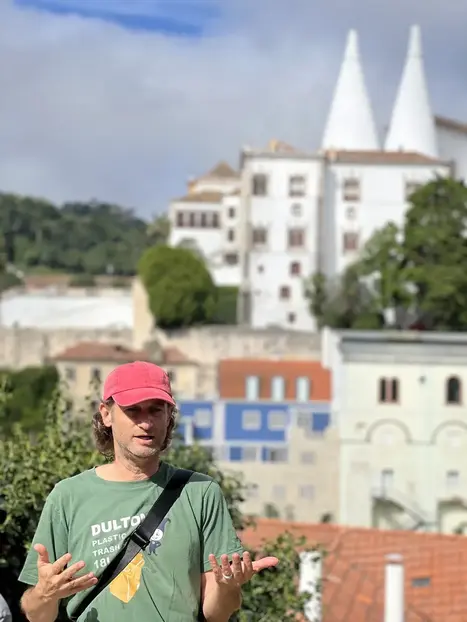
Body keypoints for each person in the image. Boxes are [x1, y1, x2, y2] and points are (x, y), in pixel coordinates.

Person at [18, 361, 278, 622]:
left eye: (156, 410)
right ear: (106, 415)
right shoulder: (68, 496)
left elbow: (216, 614)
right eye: (133, 410)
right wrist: (44, 594)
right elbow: (37, 615)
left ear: (169, 416)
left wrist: (227, 587)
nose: (146, 422)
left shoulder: (201, 493)